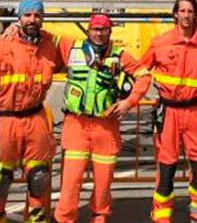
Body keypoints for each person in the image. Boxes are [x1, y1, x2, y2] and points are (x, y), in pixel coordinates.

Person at [128, 0, 197, 222]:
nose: (186, 15)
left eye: (190, 11)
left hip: (196, 113)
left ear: (196, 15)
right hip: (168, 113)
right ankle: (162, 218)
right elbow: (140, 70)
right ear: (175, 14)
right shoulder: (160, 42)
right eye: (182, 11)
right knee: (166, 172)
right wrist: (125, 94)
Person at [53, 13, 151, 223]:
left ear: (110, 31)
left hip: (106, 128)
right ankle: (64, 219)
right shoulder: (71, 47)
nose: (99, 33)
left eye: (103, 29)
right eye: (95, 29)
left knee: (103, 181)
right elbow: (43, 36)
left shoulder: (120, 55)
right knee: (71, 181)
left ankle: (99, 217)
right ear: (88, 30)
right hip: (76, 125)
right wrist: (15, 26)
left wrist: (129, 102)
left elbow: (144, 76)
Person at [0, 0, 63, 223]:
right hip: (6, 122)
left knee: (40, 177)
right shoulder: (0, 47)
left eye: (37, 15)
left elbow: (83, 45)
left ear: (43, 19)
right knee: (1, 180)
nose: (32, 20)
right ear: (19, 18)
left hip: (36, 119)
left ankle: (36, 220)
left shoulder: (49, 45)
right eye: (27, 15)